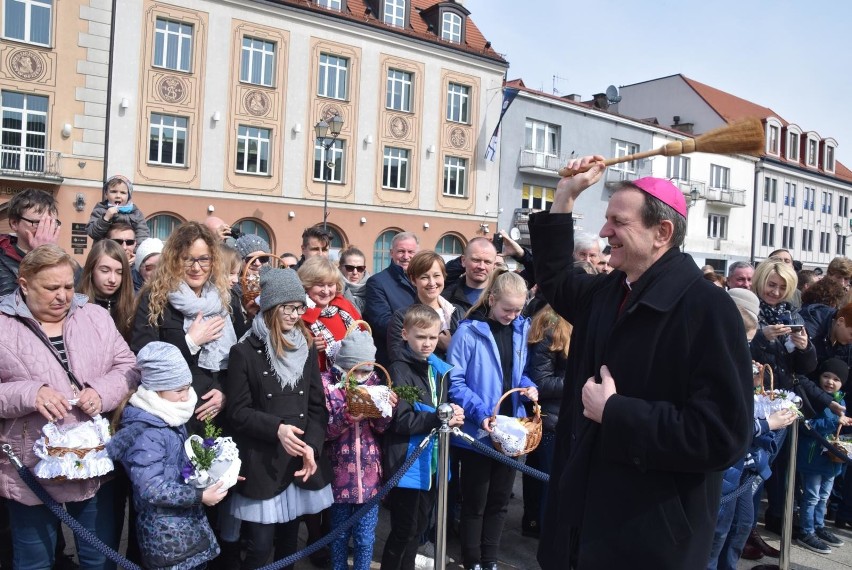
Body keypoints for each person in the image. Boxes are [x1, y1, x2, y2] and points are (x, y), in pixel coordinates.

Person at [528, 158, 753, 569]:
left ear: (661, 233)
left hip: (649, 538)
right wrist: (565, 195)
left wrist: (616, 412)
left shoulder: (709, 310)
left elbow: (723, 435)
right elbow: (557, 277)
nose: (603, 232)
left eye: (618, 221)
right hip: (581, 525)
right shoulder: (608, 291)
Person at [0, 244, 138, 569]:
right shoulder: (3, 325)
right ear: (24, 285)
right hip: (29, 468)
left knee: (99, 558)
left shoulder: (95, 316)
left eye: (68, 286)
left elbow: (128, 367)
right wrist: (29, 393)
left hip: (93, 464)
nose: (63, 296)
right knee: (34, 562)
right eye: (51, 288)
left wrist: (101, 392)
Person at [223, 266, 333, 570]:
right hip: (263, 460)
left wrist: (312, 446)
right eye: (288, 307)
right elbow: (238, 411)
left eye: (299, 307)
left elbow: (316, 406)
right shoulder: (244, 351)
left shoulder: (306, 344)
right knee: (259, 548)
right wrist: (277, 429)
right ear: (271, 306)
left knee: (288, 545)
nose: (295, 314)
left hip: (299, 459)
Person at [447, 268, 538, 570]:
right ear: (493, 299)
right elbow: (456, 382)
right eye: (507, 309)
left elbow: (518, 371)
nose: (513, 315)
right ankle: (472, 560)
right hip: (480, 430)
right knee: (475, 503)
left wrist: (529, 387)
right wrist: (481, 413)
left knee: (499, 502)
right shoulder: (468, 331)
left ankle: (489, 560)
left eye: (518, 309)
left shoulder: (521, 328)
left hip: (511, 429)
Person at [107, 342, 228, 570]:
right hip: (165, 534)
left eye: (187, 387)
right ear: (157, 389)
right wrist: (199, 496)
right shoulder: (148, 432)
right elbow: (151, 487)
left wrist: (218, 473)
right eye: (178, 390)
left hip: (183, 526)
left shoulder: (170, 416)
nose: (186, 397)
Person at [706, 288, 796, 568]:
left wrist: (754, 381)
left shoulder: (736, 351)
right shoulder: (716, 357)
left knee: (740, 526)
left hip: (742, 465)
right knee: (716, 535)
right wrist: (769, 423)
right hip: (726, 463)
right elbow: (723, 421)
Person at [131, 222, 239, 433]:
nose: (196, 267)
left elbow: (239, 359)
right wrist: (189, 342)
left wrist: (225, 392)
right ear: (174, 259)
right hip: (173, 416)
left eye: (203, 259)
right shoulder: (155, 298)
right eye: (188, 258)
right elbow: (143, 352)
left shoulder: (226, 298)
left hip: (218, 414)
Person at [381, 305, 465, 569]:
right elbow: (402, 420)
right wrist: (441, 416)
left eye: (432, 337)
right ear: (405, 334)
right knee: (404, 530)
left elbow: (443, 407)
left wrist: (453, 412)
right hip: (408, 460)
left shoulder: (438, 368)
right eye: (420, 337)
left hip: (433, 461)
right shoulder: (399, 368)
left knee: (418, 528)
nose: (427, 343)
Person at [321, 329, 396, 570]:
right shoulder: (328, 386)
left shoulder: (376, 384)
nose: (362, 377)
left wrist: (385, 408)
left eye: (367, 371)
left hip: (370, 475)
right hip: (338, 476)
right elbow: (325, 432)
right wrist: (347, 417)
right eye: (357, 371)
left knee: (365, 538)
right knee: (339, 535)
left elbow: (382, 429)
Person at [521, 304, 570, 539]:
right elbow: (541, 382)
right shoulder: (551, 326)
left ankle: (538, 527)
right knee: (548, 483)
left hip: (565, 419)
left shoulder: (576, 324)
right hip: (552, 421)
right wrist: (579, 380)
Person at [796, 358, 852, 554]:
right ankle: (806, 530)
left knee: (824, 496)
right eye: (826, 376)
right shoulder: (813, 398)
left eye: (836, 379)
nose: (830, 381)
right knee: (811, 496)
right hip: (812, 457)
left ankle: (819, 526)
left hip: (830, 459)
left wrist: (843, 424)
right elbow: (808, 427)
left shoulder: (841, 399)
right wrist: (836, 420)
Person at [387, 251, 459, 360]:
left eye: (437, 276)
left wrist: (450, 347)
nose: (432, 283)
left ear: (444, 277)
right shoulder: (402, 317)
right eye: (424, 277)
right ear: (413, 280)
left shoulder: (457, 312)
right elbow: (397, 356)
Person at [298, 256, 362, 371]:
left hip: (353, 376)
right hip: (317, 380)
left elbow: (364, 333)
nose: (326, 291)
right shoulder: (297, 315)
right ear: (306, 285)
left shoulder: (344, 306)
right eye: (320, 285)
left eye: (330, 284)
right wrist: (308, 349)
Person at [364, 232, 419, 365]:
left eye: (411, 252)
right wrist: (419, 335)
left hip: (422, 353)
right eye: (401, 251)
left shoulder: (423, 280)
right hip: (395, 358)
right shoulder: (377, 282)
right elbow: (382, 322)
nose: (406, 256)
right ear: (391, 253)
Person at [0, 188, 60, 296]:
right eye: (38, 222)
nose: (47, 228)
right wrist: (42, 256)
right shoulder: (2, 260)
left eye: (52, 223)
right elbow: (10, 304)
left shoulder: (63, 258)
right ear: (14, 223)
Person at [77, 239, 135, 340]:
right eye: (105, 271)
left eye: (119, 272)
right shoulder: (75, 307)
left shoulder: (134, 306)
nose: (112, 279)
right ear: (91, 270)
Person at [85, 174, 149, 243]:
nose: (118, 196)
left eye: (123, 193)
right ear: (106, 194)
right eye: (113, 192)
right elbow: (92, 233)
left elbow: (142, 235)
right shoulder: (100, 210)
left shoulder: (136, 213)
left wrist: (136, 252)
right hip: (106, 251)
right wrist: (105, 218)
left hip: (127, 251)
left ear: (128, 196)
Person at [441, 238, 498, 315]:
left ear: (494, 265)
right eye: (476, 260)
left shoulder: (502, 297)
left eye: (487, 262)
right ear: (463, 261)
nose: (481, 266)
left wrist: (519, 255)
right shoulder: (445, 299)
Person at [338, 245, 371, 313]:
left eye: (360, 268)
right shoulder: (331, 289)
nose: (355, 272)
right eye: (349, 268)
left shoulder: (373, 289)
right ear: (340, 268)